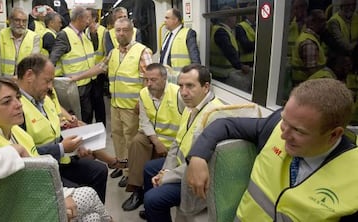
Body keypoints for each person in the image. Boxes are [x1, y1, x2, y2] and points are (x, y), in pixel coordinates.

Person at [186, 78, 358, 221]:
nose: (283, 135)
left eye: (298, 131)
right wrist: (198, 156)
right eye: (285, 120)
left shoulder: (352, 183)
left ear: (334, 135)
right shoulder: (276, 126)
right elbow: (225, 124)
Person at [0, 75, 113, 222]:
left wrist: (63, 194)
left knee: (92, 217)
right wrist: (15, 151)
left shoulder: (13, 129)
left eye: (18, 98)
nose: (18, 105)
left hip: (28, 200)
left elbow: (39, 173)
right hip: (14, 212)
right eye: (7, 101)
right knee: (88, 195)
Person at [16, 53, 111, 203]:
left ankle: (95, 213)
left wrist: (74, 145)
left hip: (60, 160)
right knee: (83, 194)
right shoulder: (16, 108)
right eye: (47, 81)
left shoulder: (44, 99)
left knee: (99, 171)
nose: (50, 87)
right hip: (42, 169)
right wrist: (62, 148)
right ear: (29, 75)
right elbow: (26, 155)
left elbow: (54, 131)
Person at [69, 18, 153, 187]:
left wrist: (142, 103)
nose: (121, 33)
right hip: (116, 104)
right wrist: (77, 77)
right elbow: (100, 67)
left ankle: (132, 174)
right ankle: (122, 165)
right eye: (118, 30)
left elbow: (150, 80)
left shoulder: (142, 52)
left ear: (131, 31)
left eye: (124, 30)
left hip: (132, 107)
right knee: (118, 137)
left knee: (131, 141)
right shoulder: (114, 52)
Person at [140, 64, 223, 221]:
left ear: (206, 87)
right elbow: (177, 144)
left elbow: (200, 164)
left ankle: (153, 207)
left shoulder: (215, 116)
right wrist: (165, 170)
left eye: (190, 86)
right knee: (149, 168)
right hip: (179, 165)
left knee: (152, 199)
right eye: (181, 86)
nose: (183, 92)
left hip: (193, 175)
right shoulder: (190, 107)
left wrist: (168, 176)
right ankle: (152, 212)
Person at [121, 63, 184, 211]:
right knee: (136, 142)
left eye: (153, 80)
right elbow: (144, 120)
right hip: (153, 135)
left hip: (174, 141)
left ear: (164, 78)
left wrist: (168, 145)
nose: (149, 84)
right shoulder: (143, 93)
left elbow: (186, 125)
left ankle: (153, 198)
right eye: (146, 79)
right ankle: (137, 191)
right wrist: (156, 142)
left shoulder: (178, 94)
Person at [50, 6, 95, 124]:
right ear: (79, 19)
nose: (88, 22)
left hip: (87, 83)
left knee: (87, 115)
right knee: (77, 119)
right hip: (75, 87)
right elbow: (52, 60)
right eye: (86, 18)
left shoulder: (83, 35)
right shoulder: (64, 35)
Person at [0, 7, 40, 76]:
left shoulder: (34, 37)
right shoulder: (1, 34)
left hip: (24, 80)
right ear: (10, 20)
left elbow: (33, 61)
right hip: (4, 80)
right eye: (17, 20)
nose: (21, 24)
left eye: (24, 21)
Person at [291, 9, 335, 85]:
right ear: (311, 23)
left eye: (325, 21)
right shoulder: (309, 43)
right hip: (307, 87)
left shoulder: (312, 38)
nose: (325, 24)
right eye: (321, 21)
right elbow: (313, 73)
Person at [159, 8, 201, 74]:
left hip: (180, 79)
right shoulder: (167, 34)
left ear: (175, 20)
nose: (164, 21)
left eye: (167, 18)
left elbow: (195, 61)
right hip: (165, 77)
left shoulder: (188, 34)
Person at [86, 8, 107, 126]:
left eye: (87, 16)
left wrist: (102, 68)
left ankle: (101, 124)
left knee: (98, 99)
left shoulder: (103, 31)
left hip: (99, 70)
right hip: (88, 70)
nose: (85, 19)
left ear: (94, 18)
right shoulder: (85, 31)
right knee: (91, 99)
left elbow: (105, 51)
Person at [326, 0, 358, 71]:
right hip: (339, 61)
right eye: (348, 5)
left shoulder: (356, 18)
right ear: (341, 6)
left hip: (353, 59)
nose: (351, 7)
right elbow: (345, 46)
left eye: (354, 5)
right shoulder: (334, 21)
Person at [235, 3, 256, 67]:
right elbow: (246, 46)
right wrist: (261, 43)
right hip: (246, 61)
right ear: (247, 14)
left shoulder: (257, 26)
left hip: (257, 58)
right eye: (252, 13)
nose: (254, 16)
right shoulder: (240, 27)